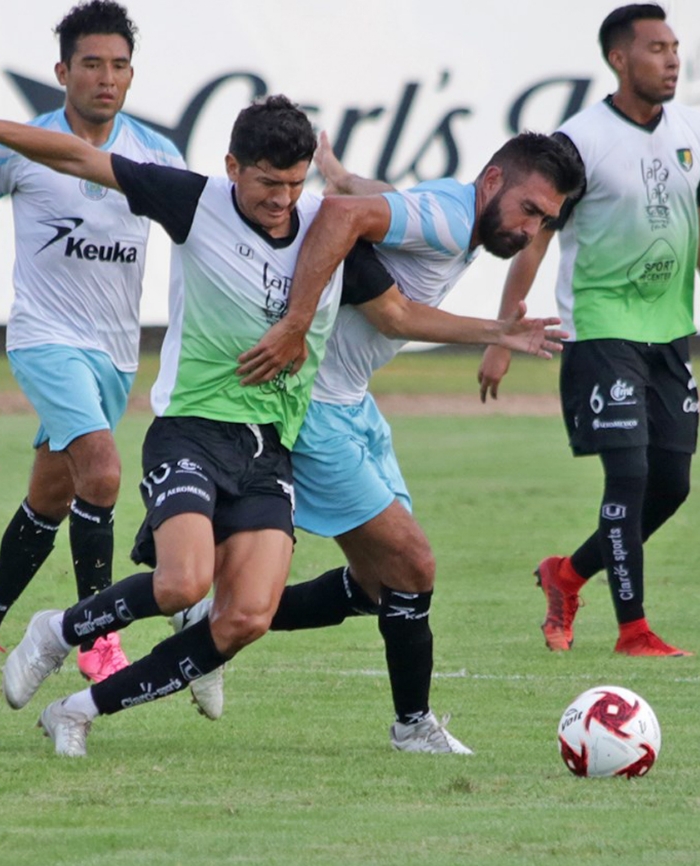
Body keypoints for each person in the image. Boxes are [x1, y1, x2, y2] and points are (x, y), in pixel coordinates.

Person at [0, 84, 565, 757]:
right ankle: (61, 631)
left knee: (246, 618)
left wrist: (498, 332)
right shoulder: (195, 201)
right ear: (232, 168)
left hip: (273, 448)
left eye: (295, 185)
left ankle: (77, 710)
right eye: (267, 183)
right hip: (193, 430)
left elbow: (393, 311)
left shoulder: (328, 243)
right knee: (185, 582)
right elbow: (76, 157)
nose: (280, 201)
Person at [180, 131, 584, 754]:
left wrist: (340, 174)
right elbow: (343, 219)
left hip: (354, 404)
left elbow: (374, 199)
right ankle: (412, 726)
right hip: (316, 407)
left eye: (547, 222)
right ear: (494, 182)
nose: (532, 230)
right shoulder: (453, 219)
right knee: (413, 566)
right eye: (530, 210)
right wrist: (296, 322)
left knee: (380, 586)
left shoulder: (452, 211)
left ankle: (210, 623)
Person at [0, 1, 183, 696]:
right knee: (103, 474)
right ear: (62, 72)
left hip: (113, 353)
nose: (106, 78)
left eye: (119, 66)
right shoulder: (22, 145)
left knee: (53, 496)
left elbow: (202, 236)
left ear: (131, 75)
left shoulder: (156, 155)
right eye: (91, 65)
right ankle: (98, 634)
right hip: (45, 339)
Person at [476, 3, 700, 657]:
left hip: (668, 332)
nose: (673, 58)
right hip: (599, 331)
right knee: (626, 477)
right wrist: (500, 333)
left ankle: (566, 576)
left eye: (676, 46)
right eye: (656, 47)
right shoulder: (580, 140)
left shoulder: (695, 129)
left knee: (672, 485)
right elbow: (534, 238)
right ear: (619, 59)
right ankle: (634, 631)